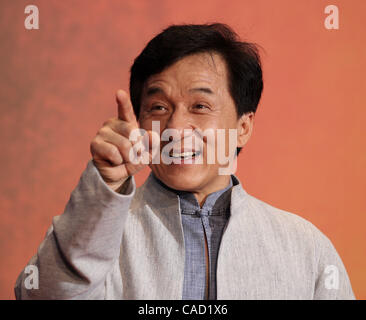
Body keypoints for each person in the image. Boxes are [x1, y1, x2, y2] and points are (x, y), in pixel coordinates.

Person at [15, 23, 355, 300]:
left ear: (243, 128)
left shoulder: (305, 247)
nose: (175, 128)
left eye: (200, 107)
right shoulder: (93, 229)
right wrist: (105, 187)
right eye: (159, 108)